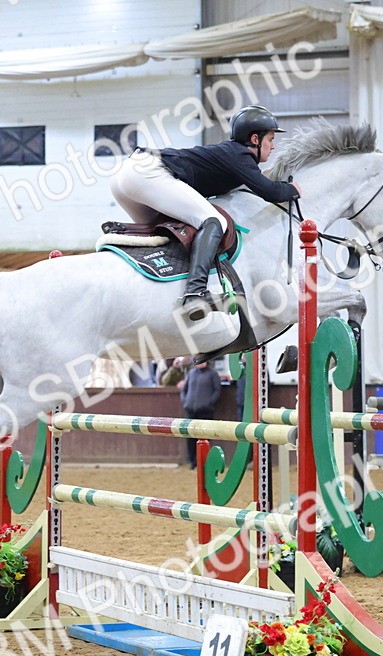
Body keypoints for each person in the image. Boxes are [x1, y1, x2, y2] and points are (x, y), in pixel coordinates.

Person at [110, 106, 301, 321]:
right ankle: (195, 293)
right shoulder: (240, 155)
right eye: (270, 138)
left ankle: (162, 290)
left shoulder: (232, 156)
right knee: (214, 220)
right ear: (255, 139)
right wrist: (293, 190)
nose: (273, 145)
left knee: (168, 236)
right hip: (146, 172)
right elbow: (270, 191)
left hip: (125, 177)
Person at [180, 359, 222, 469]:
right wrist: (186, 402)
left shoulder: (213, 373)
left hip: (205, 411)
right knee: (190, 437)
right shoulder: (191, 373)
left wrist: (209, 403)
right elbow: (184, 390)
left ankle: (202, 462)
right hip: (190, 410)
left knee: (204, 437)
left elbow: (217, 390)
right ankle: (192, 462)